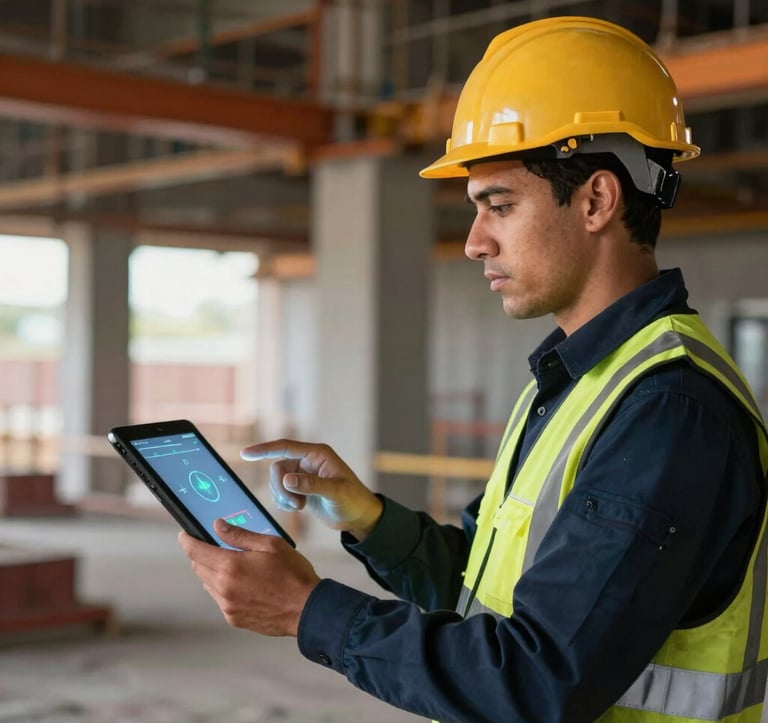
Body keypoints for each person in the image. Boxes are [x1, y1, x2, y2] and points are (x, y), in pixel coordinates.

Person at [179, 16, 768, 722]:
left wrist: (307, 609)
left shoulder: (668, 411)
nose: (474, 241)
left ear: (596, 200)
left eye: (500, 206)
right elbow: (491, 593)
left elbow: (536, 678)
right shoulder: (578, 383)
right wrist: (369, 520)